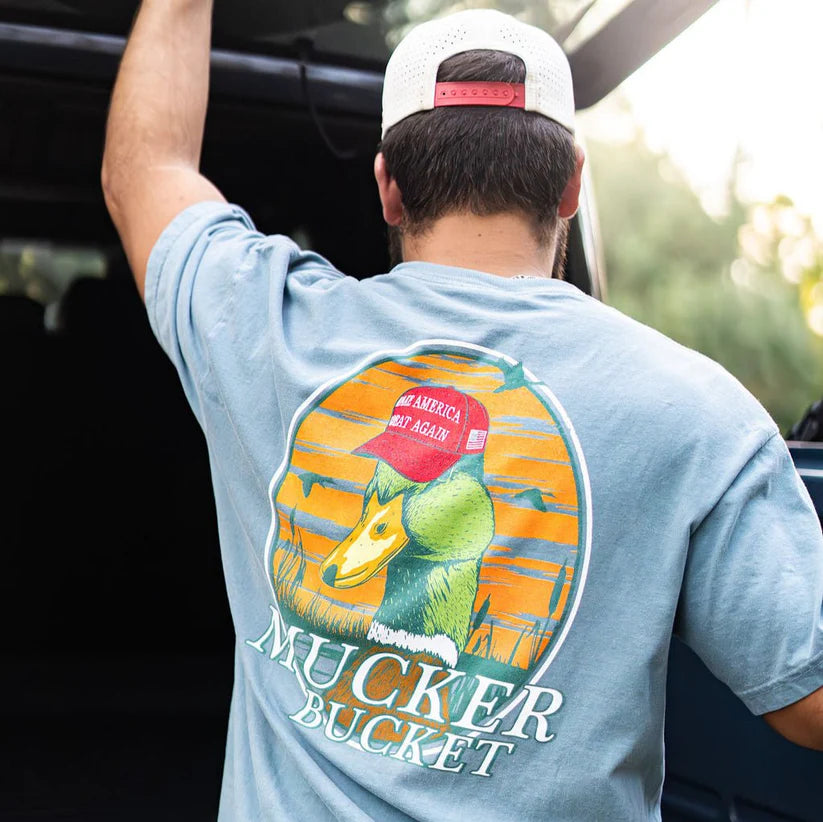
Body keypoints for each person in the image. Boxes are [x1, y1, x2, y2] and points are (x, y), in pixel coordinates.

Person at [101, 4, 823, 820]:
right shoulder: (694, 411)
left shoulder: (269, 328)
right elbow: (810, 699)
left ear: (387, 187)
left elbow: (147, 172)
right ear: (571, 184)